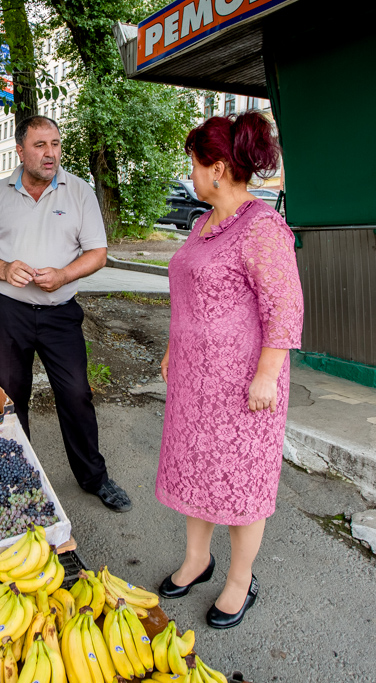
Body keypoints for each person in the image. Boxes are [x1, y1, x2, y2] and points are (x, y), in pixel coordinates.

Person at [155, 111, 303, 630]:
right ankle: (198, 560)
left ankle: (240, 581)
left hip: (244, 385)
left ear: (216, 168)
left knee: (241, 482)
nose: (190, 174)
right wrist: (176, 349)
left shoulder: (261, 227)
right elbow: (188, 293)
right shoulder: (204, 223)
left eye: (193, 165)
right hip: (197, 378)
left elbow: (284, 306)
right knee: (197, 467)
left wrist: (267, 373)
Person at [0, 115, 132, 513]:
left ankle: (95, 477)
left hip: (60, 313)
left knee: (76, 394)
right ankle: (18, 476)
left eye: (55, 144)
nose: (50, 153)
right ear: (20, 151)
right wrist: (4, 269)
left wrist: (64, 274)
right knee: (11, 394)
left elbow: (97, 253)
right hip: (7, 311)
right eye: (40, 145)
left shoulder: (79, 192)